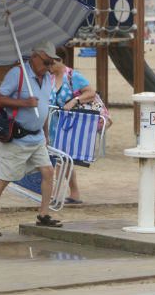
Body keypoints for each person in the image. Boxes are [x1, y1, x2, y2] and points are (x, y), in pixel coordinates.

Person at [0, 41, 61, 236]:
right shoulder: (18, 73)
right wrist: (24, 103)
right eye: (46, 62)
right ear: (35, 57)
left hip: (37, 136)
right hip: (17, 137)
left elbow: (44, 109)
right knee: (5, 178)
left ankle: (43, 214)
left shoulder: (47, 78)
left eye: (51, 63)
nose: (49, 67)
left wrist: (46, 133)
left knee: (48, 172)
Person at [48, 51, 98, 205]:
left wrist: (75, 100)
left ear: (60, 60)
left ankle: (54, 195)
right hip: (52, 125)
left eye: (50, 62)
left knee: (60, 160)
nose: (48, 66)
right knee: (64, 160)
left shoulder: (72, 76)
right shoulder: (48, 78)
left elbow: (91, 93)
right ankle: (74, 193)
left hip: (69, 125)